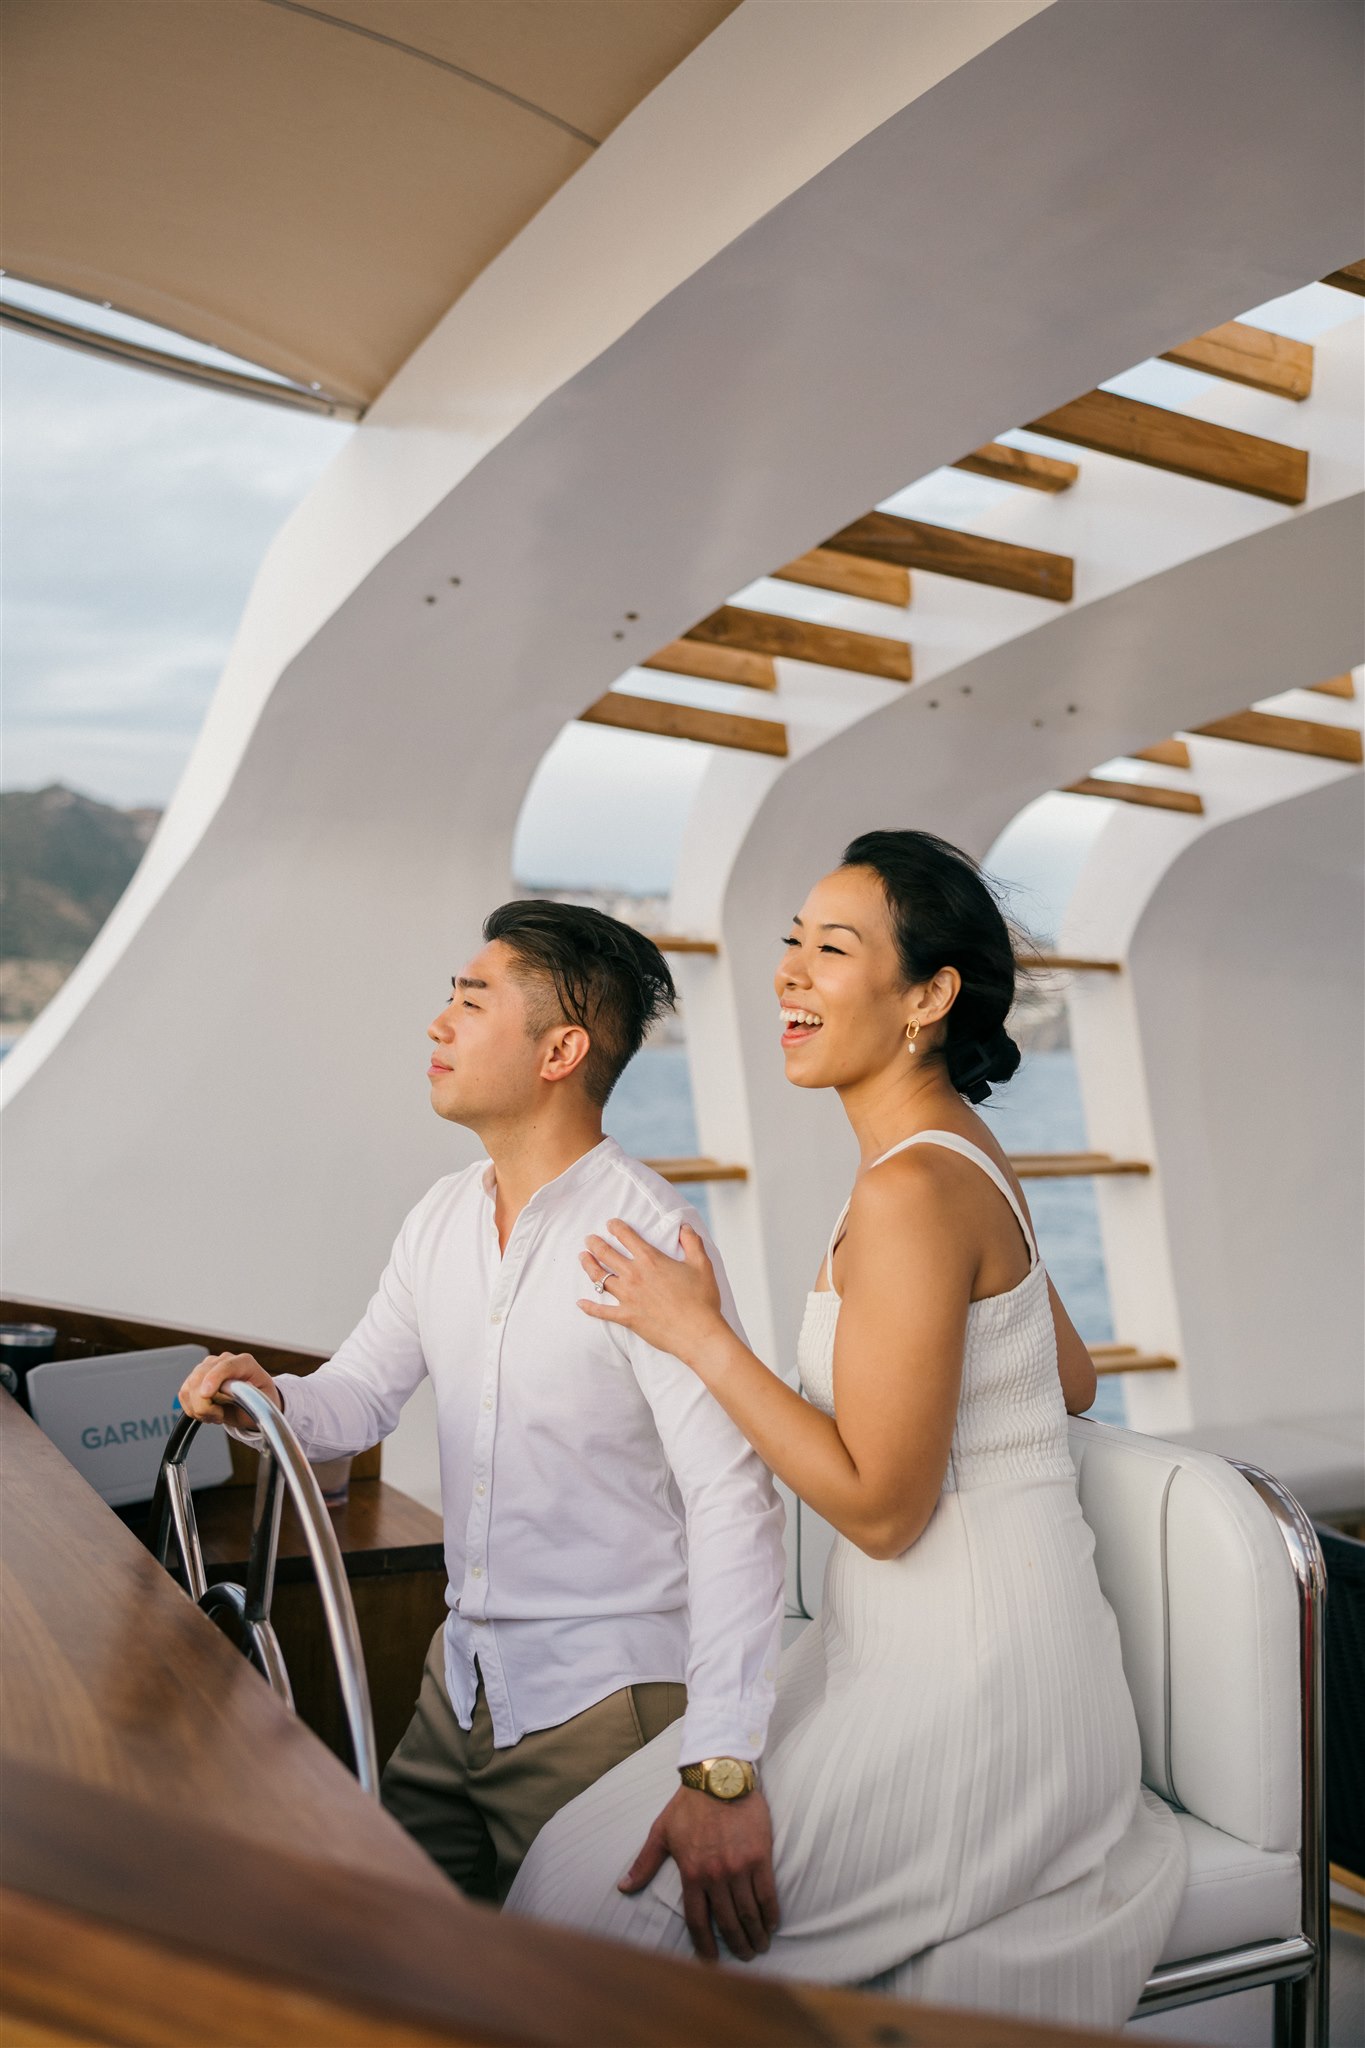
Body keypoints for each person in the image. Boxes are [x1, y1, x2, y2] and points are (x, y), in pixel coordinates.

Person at [509, 832, 1186, 2028]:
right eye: (789, 945)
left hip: (977, 1692)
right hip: (974, 1647)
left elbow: (882, 1508)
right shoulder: (961, 1157)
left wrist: (696, 1333)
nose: (788, 976)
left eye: (832, 949)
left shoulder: (911, 1189)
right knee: (581, 1866)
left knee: (581, 1902)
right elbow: (1066, 1380)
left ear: (929, 996)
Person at [179, 901, 786, 1923]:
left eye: (470, 1000)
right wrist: (267, 1396)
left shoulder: (648, 1236)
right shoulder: (444, 1214)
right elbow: (363, 1391)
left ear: (561, 1049)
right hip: (457, 1688)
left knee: (564, 2011)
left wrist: (719, 1762)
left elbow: (735, 1497)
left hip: (602, 1703)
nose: (437, 1024)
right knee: (380, 1954)